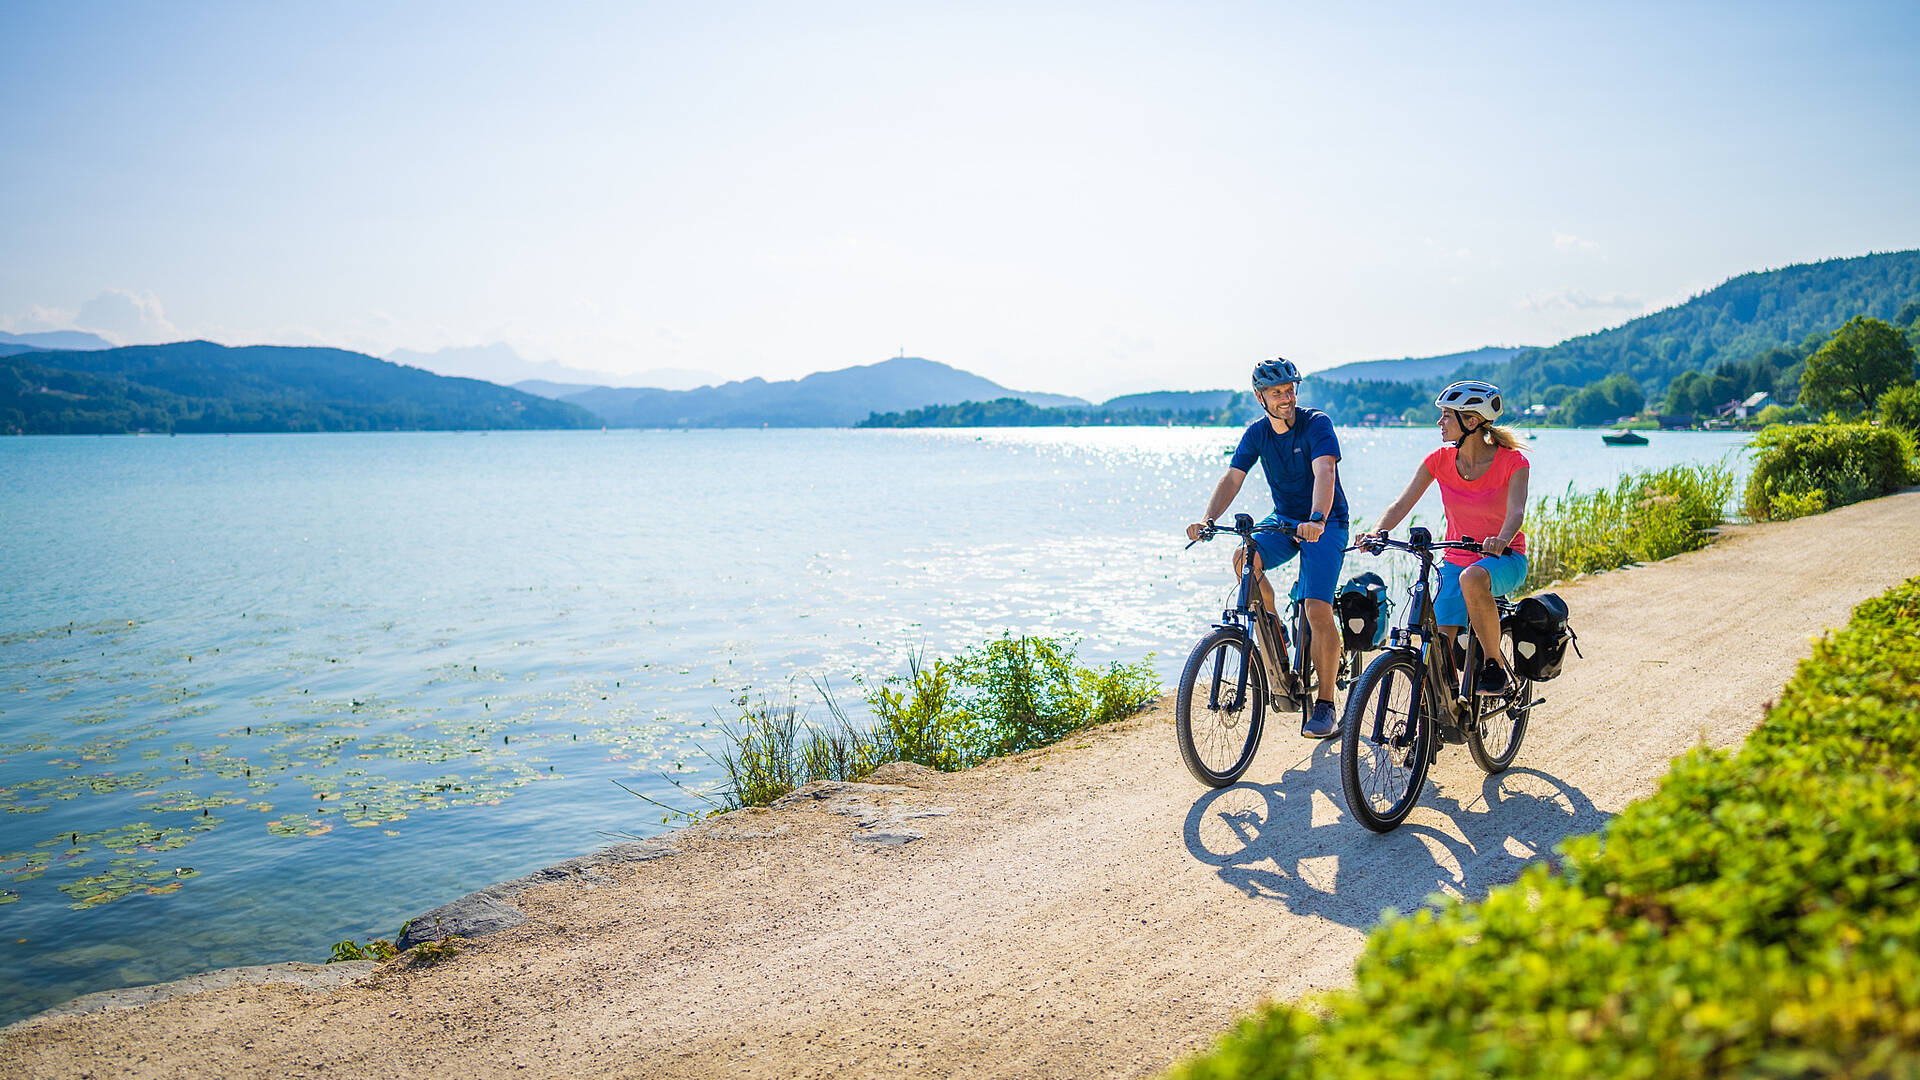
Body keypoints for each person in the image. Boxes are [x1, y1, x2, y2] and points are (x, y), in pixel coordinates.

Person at [1186, 357, 1350, 738]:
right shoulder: (1257, 433)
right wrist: (1209, 520)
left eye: (1291, 390)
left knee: (1315, 608)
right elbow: (1233, 477)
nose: (1286, 398)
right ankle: (1275, 626)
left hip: (1326, 523)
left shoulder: (1317, 423)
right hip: (1283, 521)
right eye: (1277, 392)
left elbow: (1325, 471)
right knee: (1244, 558)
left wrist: (1318, 520)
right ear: (1260, 397)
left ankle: (1326, 705)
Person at [1359, 379, 1530, 696]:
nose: (1439, 422)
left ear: (1471, 421)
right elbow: (1401, 504)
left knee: (1473, 577)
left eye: (1446, 416)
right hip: (1455, 560)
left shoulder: (1513, 462)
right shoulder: (1438, 460)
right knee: (1439, 641)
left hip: (1504, 559)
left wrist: (1502, 539)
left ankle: (1494, 666)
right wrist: (1376, 533)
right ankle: (1442, 706)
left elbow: (1516, 512)